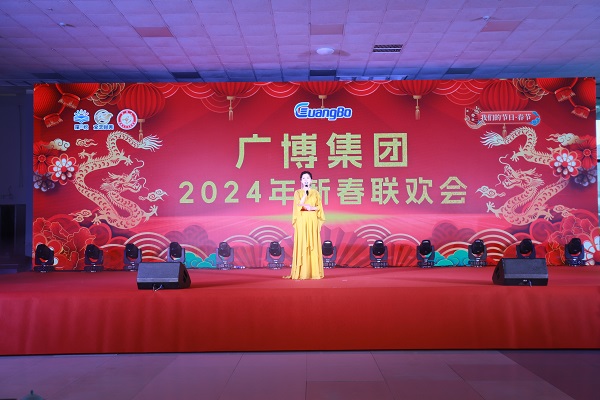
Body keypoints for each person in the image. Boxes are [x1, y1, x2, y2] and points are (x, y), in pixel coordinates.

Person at [286, 170, 325, 280]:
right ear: (301, 181)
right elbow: (298, 206)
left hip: (312, 220)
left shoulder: (316, 193)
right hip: (302, 221)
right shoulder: (297, 193)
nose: (306, 180)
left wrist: (311, 207)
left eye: (308, 178)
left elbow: (319, 207)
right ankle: (302, 272)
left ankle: (314, 272)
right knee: (303, 244)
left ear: (311, 180)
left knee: (313, 244)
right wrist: (305, 194)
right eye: (304, 178)